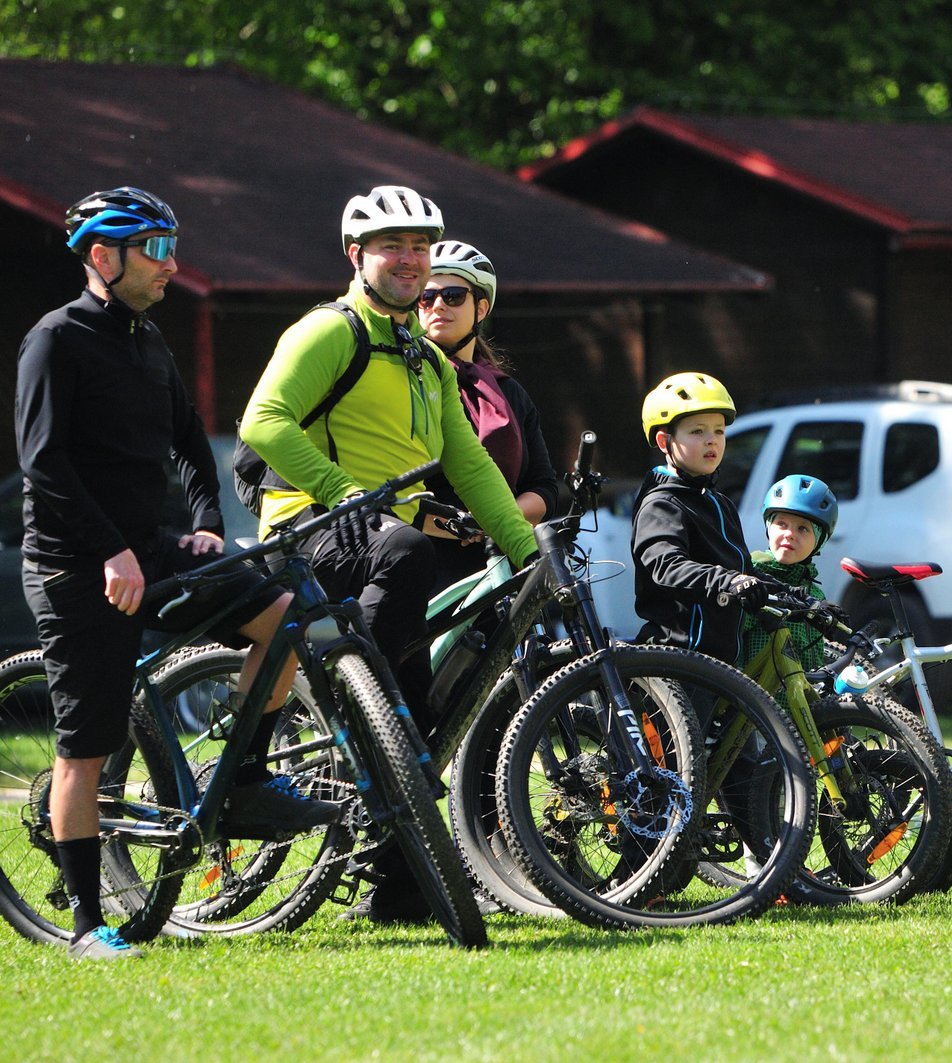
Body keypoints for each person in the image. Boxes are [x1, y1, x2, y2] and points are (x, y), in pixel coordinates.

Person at [16, 187, 338, 960]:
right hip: (75, 565)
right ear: (103, 256)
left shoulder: (149, 341)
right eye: (155, 248)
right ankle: (87, 925)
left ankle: (246, 777)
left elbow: (192, 441)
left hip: (155, 549)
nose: (170, 263)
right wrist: (109, 550)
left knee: (284, 616)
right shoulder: (54, 340)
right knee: (84, 750)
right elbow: (44, 464)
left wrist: (205, 523)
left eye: (171, 245)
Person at [238, 185, 539, 923]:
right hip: (312, 527)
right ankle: (351, 701)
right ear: (356, 256)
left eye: (420, 246)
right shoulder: (329, 331)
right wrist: (341, 491)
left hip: (382, 550)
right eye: (392, 246)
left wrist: (528, 552)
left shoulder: (424, 359)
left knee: (420, 720)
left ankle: (397, 893)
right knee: (404, 553)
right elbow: (263, 422)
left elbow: (470, 466)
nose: (410, 259)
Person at [416, 239, 559, 589]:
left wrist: (493, 521)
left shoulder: (510, 392)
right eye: (426, 297)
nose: (438, 305)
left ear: (481, 309)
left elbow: (544, 487)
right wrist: (457, 526)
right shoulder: (405, 383)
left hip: (503, 562)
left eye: (453, 296)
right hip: (423, 562)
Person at [632, 372, 765, 665]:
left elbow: (743, 572)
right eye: (697, 431)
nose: (711, 440)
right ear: (664, 442)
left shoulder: (720, 503)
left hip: (720, 665)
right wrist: (729, 581)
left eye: (719, 431)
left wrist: (799, 597)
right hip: (677, 660)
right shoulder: (661, 504)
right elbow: (668, 567)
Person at [738, 474, 839, 701]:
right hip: (754, 706)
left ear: (820, 540)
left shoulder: (813, 593)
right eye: (781, 524)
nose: (790, 534)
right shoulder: (751, 579)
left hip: (800, 708)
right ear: (768, 527)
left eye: (803, 529)